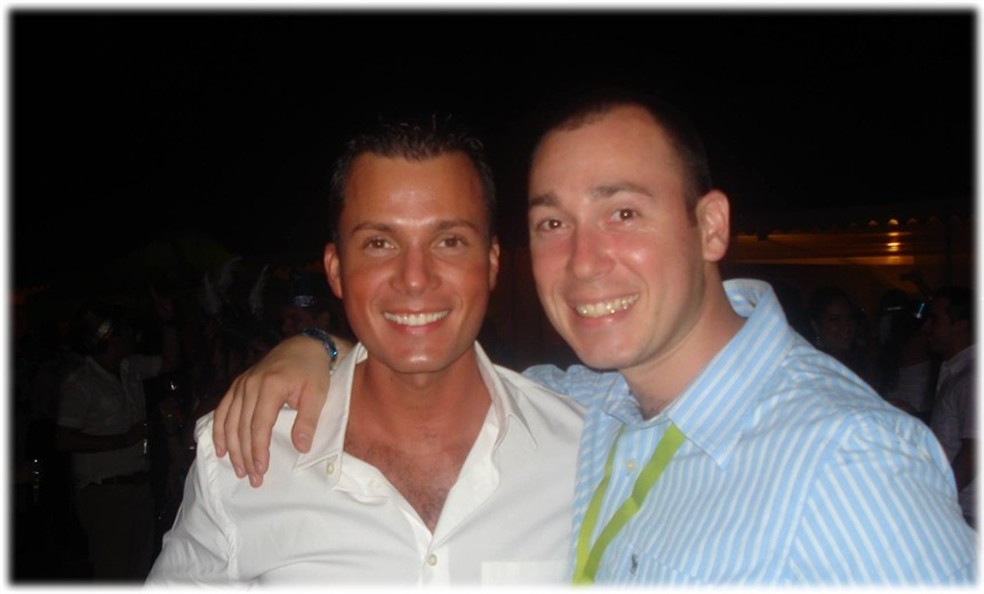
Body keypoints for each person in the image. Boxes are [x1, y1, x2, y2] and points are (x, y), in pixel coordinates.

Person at [211, 89, 977, 585]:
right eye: (554, 223)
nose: (583, 262)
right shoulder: (588, 407)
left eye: (624, 213)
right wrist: (321, 346)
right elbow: (431, 366)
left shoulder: (851, 463)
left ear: (710, 226)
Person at [145, 116, 584, 586]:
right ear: (336, 270)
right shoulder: (242, 457)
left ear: (491, 262)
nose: (414, 278)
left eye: (449, 241)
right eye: (379, 243)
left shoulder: (585, 450)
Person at [56, 293, 180, 581]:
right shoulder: (81, 383)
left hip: (139, 487)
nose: (130, 336)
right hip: (104, 493)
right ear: (107, 340)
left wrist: (169, 322)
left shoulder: (129, 367)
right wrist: (123, 439)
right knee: (112, 574)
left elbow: (170, 362)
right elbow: (63, 439)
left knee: (140, 573)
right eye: (122, 333)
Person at [924, 286, 977, 529]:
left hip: (967, 511)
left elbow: (973, 453)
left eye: (935, 320)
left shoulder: (972, 377)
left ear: (961, 325)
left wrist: (939, 499)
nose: (926, 328)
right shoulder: (956, 371)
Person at [807, 285, 875, 384]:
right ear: (816, 325)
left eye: (850, 318)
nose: (846, 327)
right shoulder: (811, 365)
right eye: (835, 320)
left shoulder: (863, 361)